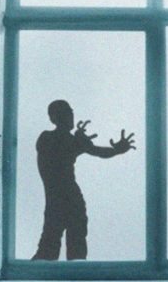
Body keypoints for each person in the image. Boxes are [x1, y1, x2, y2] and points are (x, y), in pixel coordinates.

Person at [31, 99, 135, 261]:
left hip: (65, 199)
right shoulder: (49, 138)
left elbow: (95, 151)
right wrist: (112, 149)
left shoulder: (61, 140)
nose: (71, 115)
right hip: (63, 199)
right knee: (57, 249)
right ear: (54, 118)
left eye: (71, 112)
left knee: (69, 249)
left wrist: (112, 149)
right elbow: (93, 150)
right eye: (66, 112)